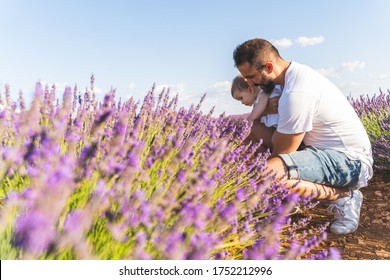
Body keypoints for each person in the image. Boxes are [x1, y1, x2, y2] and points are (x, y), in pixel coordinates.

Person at [232, 38, 373, 234]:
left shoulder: (296, 92)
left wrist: (252, 186)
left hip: (350, 162)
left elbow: (282, 153)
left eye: (251, 77)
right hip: (317, 151)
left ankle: (344, 196)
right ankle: (284, 197)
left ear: (268, 67)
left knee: (267, 174)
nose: (249, 83)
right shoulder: (287, 77)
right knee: (249, 131)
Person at [231, 75, 282, 152]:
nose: (242, 102)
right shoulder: (261, 97)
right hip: (277, 129)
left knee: (249, 131)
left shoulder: (263, 93)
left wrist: (250, 119)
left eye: (241, 98)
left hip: (279, 130)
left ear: (250, 89)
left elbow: (261, 105)